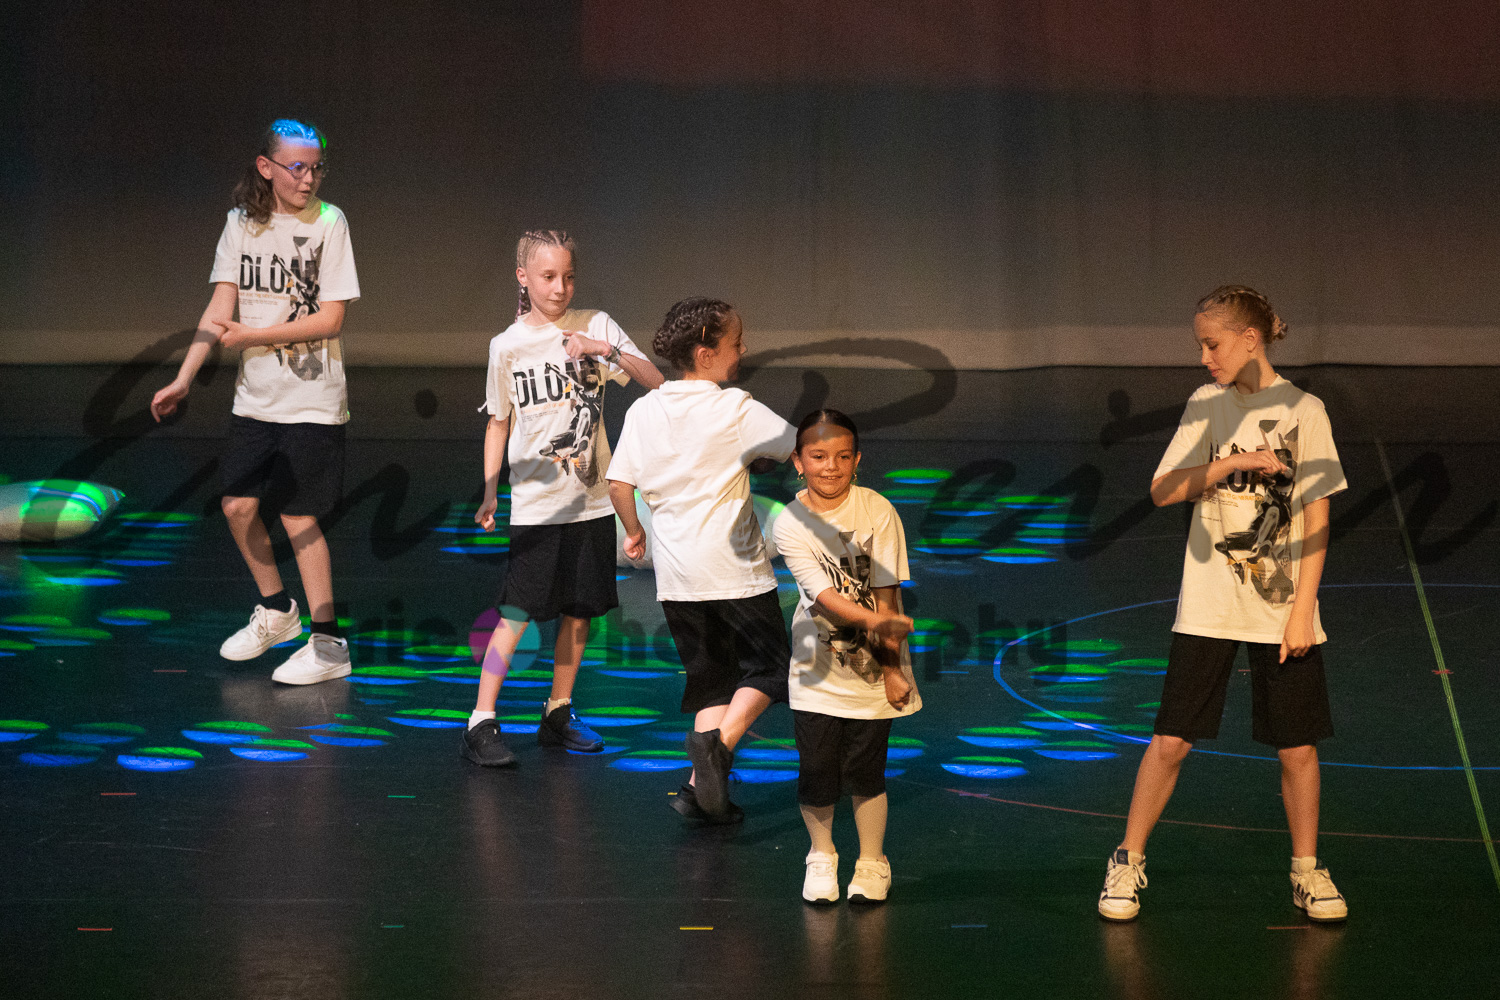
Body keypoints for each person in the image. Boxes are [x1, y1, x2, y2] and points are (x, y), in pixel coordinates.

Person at [1097, 286, 1349, 923]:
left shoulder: (1306, 411)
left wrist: (1302, 612)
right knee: (1171, 741)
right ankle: (1126, 859)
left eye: (1212, 345)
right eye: (1201, 346)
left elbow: (1317, 518)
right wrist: (1228, 463)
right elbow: (1164, 490)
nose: (1204, 357)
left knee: (1297, 747)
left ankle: (1306, 870)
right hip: (1209, 605)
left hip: (1282, 606)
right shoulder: (1205, 405)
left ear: (1250, 340)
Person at [150, 119, 359, 685]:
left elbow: (331, 318)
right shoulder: (240, 224)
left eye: (316, 168)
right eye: (297, 167)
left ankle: (329, 645)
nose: (308, 179)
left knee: (297, 515)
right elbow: (220, 311)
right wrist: (184, 378)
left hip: (312, 399)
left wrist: (256, 336)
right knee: (238, 507)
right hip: (256, 399)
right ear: (266, 168)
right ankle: (276, 610)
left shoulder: (330, 222)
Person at [462, 229, 665, 767]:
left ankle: (558, 710)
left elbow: (655, 381)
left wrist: (604, 349)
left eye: (569, 277)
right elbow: (499, 421)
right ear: (523, 278)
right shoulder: (506, 346)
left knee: (580, 611)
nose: (560, 288)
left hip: (592, 500)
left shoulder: (596, 323)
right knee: (517, 613)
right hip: (537, 503)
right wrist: (490, 491)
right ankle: (480, 719)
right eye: (548, 277)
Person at [607, 297, 796, 822]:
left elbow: (619, 483)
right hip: (735, 574)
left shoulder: (644, 410)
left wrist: (634, 531)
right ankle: (719, 747)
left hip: (677, 580)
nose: (743, 350)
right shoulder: (735, 408)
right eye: (736, 343)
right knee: (773, 669)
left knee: (713, 680)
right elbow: (794, 445)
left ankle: (698, 793)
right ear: (706, 353)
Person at [771, 409, 918, 904]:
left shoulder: (878, 511)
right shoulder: (791, 522)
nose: (830, 467)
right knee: (816, 769)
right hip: (815, 670)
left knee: (866, 772)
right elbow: (824, 597)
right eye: (818, 456)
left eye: (842, 456)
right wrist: (878, 623)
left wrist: (893, 671)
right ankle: (821, 855)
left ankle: (873, 862)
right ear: (798, 462)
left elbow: (887, 596)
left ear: (857, 461)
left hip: (874, 667)